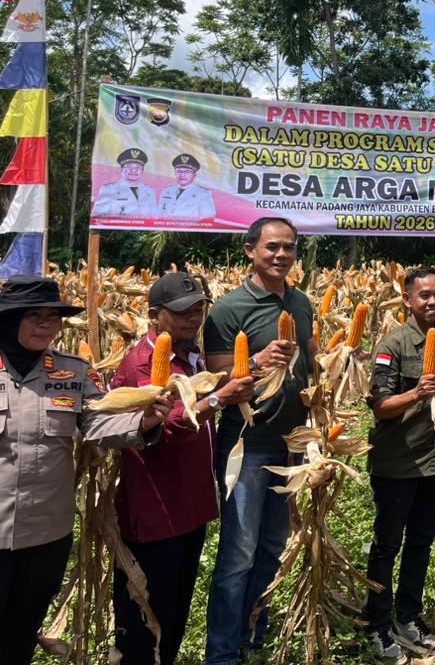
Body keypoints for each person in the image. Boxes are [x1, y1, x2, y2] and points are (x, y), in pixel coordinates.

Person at [0, 276, 170, 665]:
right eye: (34, 316)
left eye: (53, 317)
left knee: (19, 632)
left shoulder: (74, 373)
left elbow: (97, 426)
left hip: (45, 533)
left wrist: (143, 423)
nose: (47, 324)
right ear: (8, 320)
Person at [112, 272, 255, 665]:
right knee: (144, 619)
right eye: (180, 313)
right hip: (155, 515)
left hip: (189, 510)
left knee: (173, 615)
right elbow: (165, 422)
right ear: (154, 315)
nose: (192, 318)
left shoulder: (193, 359)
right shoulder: (142, 363)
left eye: (198, 310)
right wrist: (219, 400)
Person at [202, 217, 315, 665]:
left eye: (289, 247)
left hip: (292, 445)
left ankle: (253, 637)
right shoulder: (228, 310)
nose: (281, 255)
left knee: (272, 550)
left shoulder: (302, 303)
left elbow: (309, 361)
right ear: (250, 250)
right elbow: (214, 373)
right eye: (272, 247)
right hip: (247, 447)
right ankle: (222, 653)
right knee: (238, 555)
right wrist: (257, 362)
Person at [363, 267, 435, 661]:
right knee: (387, 545)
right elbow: (379, 407)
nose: (433, 302)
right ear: (407, 299)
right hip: (397, 465)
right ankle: (376, 624)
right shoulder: (392, 346)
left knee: (421, 543)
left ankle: (407, 616)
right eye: (424, 295)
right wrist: (413, 395)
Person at [92, 148, 157, 217]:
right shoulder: (109, 189)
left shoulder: (149, 191)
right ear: (121, 170)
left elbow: (155, 216)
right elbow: (98, 217)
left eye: (138, 168)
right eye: (129, 167)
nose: (133, 171)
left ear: (142, 171)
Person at [157, 153, 216, 220]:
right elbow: (158, 214)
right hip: (166, 229)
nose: (182, 174)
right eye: (179, 171)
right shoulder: (167, 190)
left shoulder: (203, 193)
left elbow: (208, 218)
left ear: (194, 175)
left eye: (187, 171)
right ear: (175, 173)